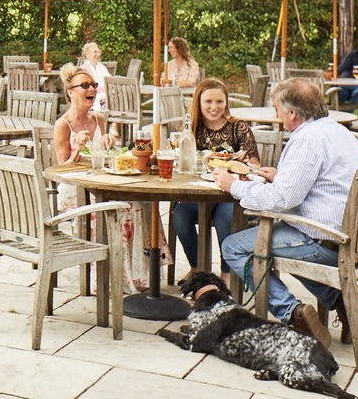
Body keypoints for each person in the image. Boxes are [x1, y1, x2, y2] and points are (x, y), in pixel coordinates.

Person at [218, 78, 358, 349]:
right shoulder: (339, 132)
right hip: (352, 236)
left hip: (326, 240)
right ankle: (339, 299)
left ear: (292, 113)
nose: (276, 113)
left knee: (235, 248)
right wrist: (280, 176)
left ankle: (293, 313)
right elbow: (319, 181)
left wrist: (234, 185)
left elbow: (282, 199)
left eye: (277, 108)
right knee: (279, 244)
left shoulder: (306, 141)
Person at [53, 63, 149, 291]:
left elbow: (103, 157)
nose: (92, 90)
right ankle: (104, 278)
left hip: (100, 183)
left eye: (94, 85)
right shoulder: (62, 124)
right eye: (84, 85)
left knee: (136, 202)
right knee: (114, 208)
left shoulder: (98, 119)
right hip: (75, 189)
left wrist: (108, 143)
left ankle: (134, 275)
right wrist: (77, 150)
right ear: (70, 91)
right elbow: (61, 170)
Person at [172, 79, 259, 283]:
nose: (214, 107)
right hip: (199, 192)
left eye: (219, 101)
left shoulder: (238, 127)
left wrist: (241, 161)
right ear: (198, 103)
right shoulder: (191, 128)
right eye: (208, 101)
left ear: (226, 102)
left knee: (225, 218)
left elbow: (255, 164)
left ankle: (226, 274)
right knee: (180, 214)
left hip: (230, 194)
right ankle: (197, 269)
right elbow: (181, 159)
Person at [78, 41, 113, 110]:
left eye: (98, 52)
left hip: (105, 94)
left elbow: (110, 80)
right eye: (95, 52)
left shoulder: (101, 67)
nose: (98, 54)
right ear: (87, 54)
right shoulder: (83, 69)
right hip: (91, 97)